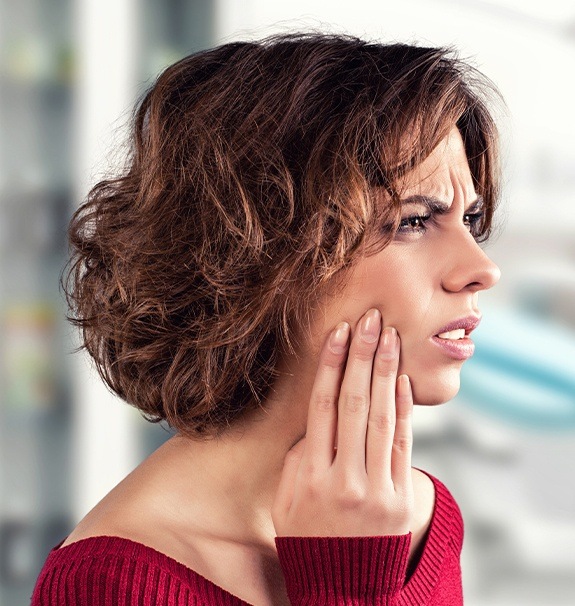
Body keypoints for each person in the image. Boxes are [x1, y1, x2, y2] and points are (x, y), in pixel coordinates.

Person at [31, 33, 502, 605]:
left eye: (468, 219)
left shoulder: (421, 521)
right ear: (261, 252)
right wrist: (347, 584)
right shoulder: (110, 585)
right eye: (413, 222)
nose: (481, 269)